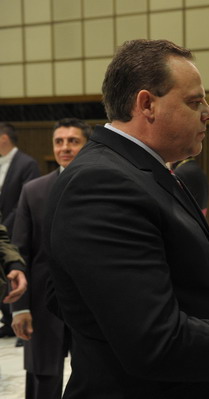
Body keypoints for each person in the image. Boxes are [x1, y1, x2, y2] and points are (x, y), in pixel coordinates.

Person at [43, 39, 209, 399]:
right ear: (146, 104)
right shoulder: (103, 184)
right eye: (194, 102)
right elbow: (153, 341)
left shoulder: (141, 171)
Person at [10, 118, 90, 399]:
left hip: (92, 304)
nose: (65, 147)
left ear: (86, 145)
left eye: (73, 141)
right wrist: (19, 308)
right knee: (42, 379)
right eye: (59, 141)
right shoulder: (34, 191)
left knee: (97, 377)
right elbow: (19, 252)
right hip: (43, 304)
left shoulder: (101, 188)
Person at [0, 122, 40, 338]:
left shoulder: (27, 163)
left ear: (4, 137)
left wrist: (4, 225)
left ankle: (18, 320)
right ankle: (8, 319)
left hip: (15, 228)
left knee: (15, 274)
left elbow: (23, 202)